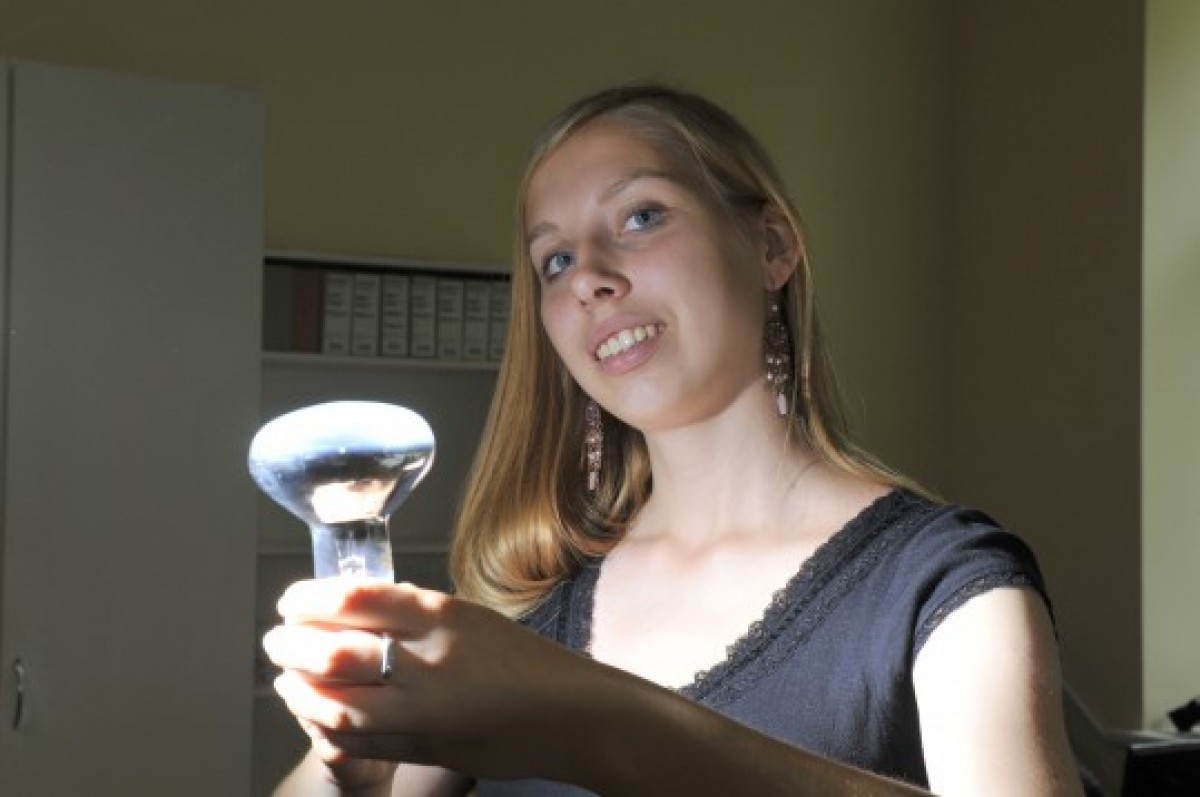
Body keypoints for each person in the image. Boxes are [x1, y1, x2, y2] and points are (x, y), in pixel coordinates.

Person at [264, 84, 1083, 796]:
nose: (590, 275)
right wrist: (350, 773)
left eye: (642, 216)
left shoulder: (948, 589)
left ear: (771, 246)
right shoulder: (524, 607)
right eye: (555, 260)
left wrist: (598, 721)